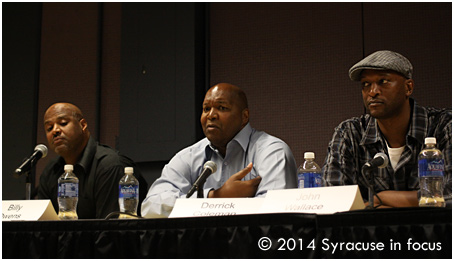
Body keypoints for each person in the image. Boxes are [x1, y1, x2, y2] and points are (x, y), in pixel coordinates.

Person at [141, 83, 297, 217]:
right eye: (206, 108)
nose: (211, 115)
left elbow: (275, 212)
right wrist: (215, 196)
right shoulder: (188, 156)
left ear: (244, 117)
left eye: (222, 108)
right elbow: (150, 206)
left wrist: (209, 205)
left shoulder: (271, 151)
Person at [323, 50, 452, 208]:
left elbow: (450, 197)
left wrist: (378, 199)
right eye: (366, 84)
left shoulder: (444, 126)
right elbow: (334, 202)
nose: (373, 92)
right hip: (370, 233)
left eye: (383, 81)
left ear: (408, 87)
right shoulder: (349, 133)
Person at [38, 102, 148, 219]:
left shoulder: (110, 166)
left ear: (83, 125)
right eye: (49, 128)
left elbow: (111, 230)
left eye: (63, 123)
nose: (55, 130)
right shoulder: (51, 171)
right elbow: (43, 228)